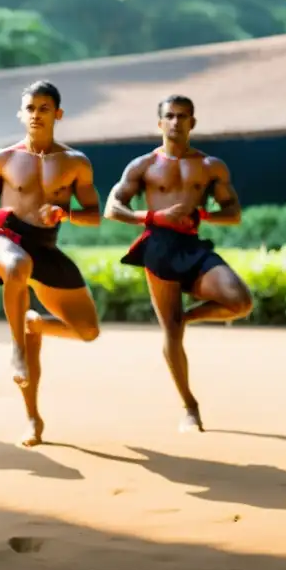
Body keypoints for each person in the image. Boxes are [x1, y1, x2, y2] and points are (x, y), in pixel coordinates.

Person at [0, 81, 101, 447]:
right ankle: (20, 362)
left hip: (46, 247)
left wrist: (65, 212)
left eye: (44, 108)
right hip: (6, 240)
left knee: (87, 331)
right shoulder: (1, 158)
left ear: (58, 114)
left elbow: (93, 215)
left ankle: (34, 324)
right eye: (30, 108)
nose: (36, 114)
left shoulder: (75, 163)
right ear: (21, 114)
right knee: (18, 265)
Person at [103, 94, 253, 433]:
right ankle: (190, 406)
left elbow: (233, 214)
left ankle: (183, 317)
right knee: (171, 333)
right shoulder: (142, 166)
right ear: (160, 123)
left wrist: (202, 213)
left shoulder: (211, 166)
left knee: (240, 302)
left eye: (182, 116)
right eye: (169, 116)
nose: (175, 122)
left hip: (193, 245)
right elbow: (113, 207)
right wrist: (153, 215)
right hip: (157, 244)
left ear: (192, 122)